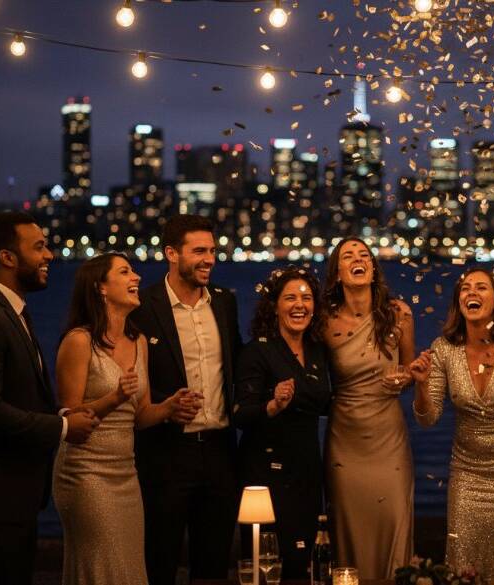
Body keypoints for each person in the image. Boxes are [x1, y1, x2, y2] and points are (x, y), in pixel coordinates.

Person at [53, 253, 199, 585]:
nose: (136, 277)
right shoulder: (79, 341)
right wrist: (113, 398)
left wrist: (170, 407)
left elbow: (141, 416)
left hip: (126, 473)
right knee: (103, 568)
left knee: (130, 568)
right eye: (125, 272)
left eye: (133, 271)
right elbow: (70, 420)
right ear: (100, 288)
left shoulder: (139, 341)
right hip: (86, 473)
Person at [0, 212, 98, 585]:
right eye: (39, 247)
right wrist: (62, 426)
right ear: (7, 258)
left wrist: (59, 411)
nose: (49, 256)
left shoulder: (11, 311)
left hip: (16, 496)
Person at [409, 268, 494, 579]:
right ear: (459, 303)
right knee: (465, 571)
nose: (471, 293)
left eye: (481, 288)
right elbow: (428, 418)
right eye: (465, 289)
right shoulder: (443, 349)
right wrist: (420, 385)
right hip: (468, 475)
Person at [132, 214, 243, 585]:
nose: (209, 258)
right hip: (165, 454)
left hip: (220, 452)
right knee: (158, 562)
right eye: (199, 251)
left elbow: (237, 365)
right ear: (171, 254)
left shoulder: (225, 303)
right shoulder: (143, 307)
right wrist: (166, 407)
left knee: (213, 567)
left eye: (212, 250)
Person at [322, 237, 415, 579]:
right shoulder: (324, 322)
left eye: (364, 255)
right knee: (348, 527)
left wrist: (404, 379)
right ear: (337, 274)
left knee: (393, 519)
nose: (358, 259)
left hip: (388, 436)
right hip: (345, 437)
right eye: (348, 256)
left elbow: (408, 369)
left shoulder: (399, 313)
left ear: (374, 269)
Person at [234, 267, 332, 579]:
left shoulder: (318, 351)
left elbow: (327, 401)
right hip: (266, 475)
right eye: (290, 297)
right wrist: (274, 405)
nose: (299, 304)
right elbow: (240, 415)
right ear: (274, 305)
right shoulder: (257, 351)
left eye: (306, 297)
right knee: (267, 563)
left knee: (306, 563)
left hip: (306, 471)